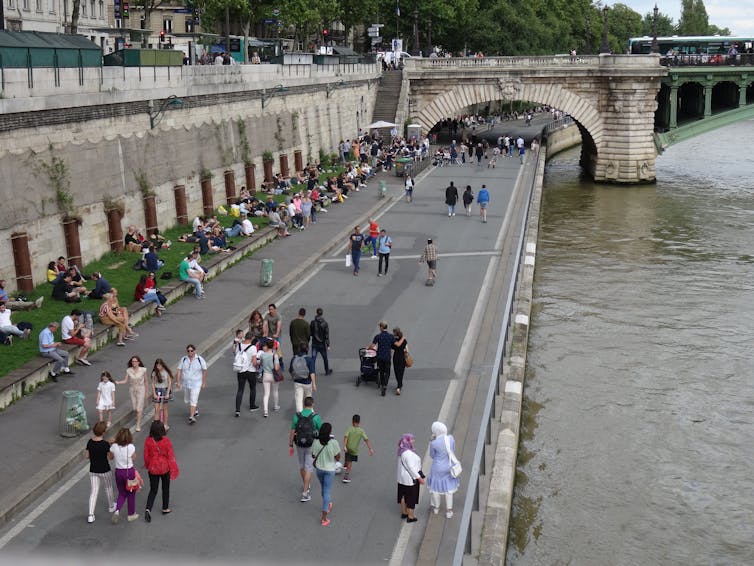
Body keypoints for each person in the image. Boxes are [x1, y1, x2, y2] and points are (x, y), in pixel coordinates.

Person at [143, 420, 179, 523]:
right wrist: (173, 468)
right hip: (164, 467)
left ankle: (148, 509)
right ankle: (165, 508)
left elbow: (146, 456)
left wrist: (147, 465)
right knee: (165, 488)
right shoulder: (166, 441)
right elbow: (170, 456)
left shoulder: (148, 441)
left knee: (153, 490)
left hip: (153, 468)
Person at [289, 395, 323, 502]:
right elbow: (321, 430)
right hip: (311, 444)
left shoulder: (297, 416)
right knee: (309, 467)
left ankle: (306, 485)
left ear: (304, 404)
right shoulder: (316, 417)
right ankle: (305, 493)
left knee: (302, 465)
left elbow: (292, 431)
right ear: (312, 404)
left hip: (299, 444)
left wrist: (290, 444)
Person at [427, 421, 461, 518]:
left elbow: (432, 455)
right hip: (448, 466)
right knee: (448, 490)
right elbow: (452, 450)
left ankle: (436, 508)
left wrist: (432, 441)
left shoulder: (434, 443)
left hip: (437, 468)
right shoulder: (450, 438)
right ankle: (449, 511)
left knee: (435, 489)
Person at [85, 421, 117, 524]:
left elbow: (86, 456)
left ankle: (91, 515)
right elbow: (111, 458)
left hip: (93, 470)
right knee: (108, 488)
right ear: (103, 432)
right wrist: (111, 445)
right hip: (105, 470)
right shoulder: (105, 444)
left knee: (94, 491)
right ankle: (111, 506)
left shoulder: (90, 442)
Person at [311, 422, 341, 526]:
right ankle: (324, 518)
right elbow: (338, 457)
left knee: (324, 488)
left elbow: (313, 454)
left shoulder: (316, 442)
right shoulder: (333, 442)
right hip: (330, 470)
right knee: (327, 491)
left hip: (319, 469)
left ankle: (327, 503)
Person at [109, 427, 138, 523]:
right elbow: (134, 458)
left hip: (118, 472)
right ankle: (131, 514)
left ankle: (117, 511)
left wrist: (112, 444)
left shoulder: (114, 447)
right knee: (131, 493)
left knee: (121, 493)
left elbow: (111, 457)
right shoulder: (130, 447)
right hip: (129, 472)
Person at [175, 344, 207, 425]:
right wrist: (178, 382)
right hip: (186, 384)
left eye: (191, 351)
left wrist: (203, 382)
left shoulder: (200, 359)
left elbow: (204, 371)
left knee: (193, 399)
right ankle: (195, 410)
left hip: (196, 383)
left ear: (194, 351)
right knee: (188, 399)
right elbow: (179, 370)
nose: (190, 352)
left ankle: (191, 417)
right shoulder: (184, 359)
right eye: (188, 351)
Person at [397, 433, 425, 523]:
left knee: (403, 495)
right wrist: (419, 478)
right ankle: (411, 516)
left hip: (401, 478)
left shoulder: (401, 450)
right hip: (410, 479)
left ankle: (404, 512)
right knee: (411, 498)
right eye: (412, 439)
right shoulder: (408, 453)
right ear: (407, 441)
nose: (414, 441)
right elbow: (411, 468)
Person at [116, 355, 148, 432]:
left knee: (138, 408)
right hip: (132, 389)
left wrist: (146, 392)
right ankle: (140, 414)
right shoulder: (129, 370)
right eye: (132, 361)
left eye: (135, 361)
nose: (134, 363)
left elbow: (146, 381)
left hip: (141, 389)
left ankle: (138, 424)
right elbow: (125, 380)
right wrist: (119, 382)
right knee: (134, 408)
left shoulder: (143, 370)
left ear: (138, 362)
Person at [342, 414, 374, 483]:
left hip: (347, 447)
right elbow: (366, 440)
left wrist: (344, 446)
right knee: (350, 462)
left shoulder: (349, 428)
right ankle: (346, 476)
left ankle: (345, 464)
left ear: (352, 421)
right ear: (359, 422)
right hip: (354, 449)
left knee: (347, 453)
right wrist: (370, 449)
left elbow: (345, 437)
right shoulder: (361, 431)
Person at [234, 332, 259, 417]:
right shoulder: (253, 348)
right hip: (250, 371)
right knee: (252, 388)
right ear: (251, 338)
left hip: (241, 371)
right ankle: (252, 406)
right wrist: (257, 366)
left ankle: (237, 410)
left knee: (240, 390)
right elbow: (254, 362)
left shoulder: (239, 345)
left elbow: (235, 354)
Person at [289, 342, 316, 413]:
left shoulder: (294, 358)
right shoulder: (309, 359)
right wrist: (314, 384)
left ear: (299, 349)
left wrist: (294, 377)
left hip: (297, 382)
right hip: (307, 382)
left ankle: (300, 415)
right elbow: (312, 373)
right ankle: (310, 414)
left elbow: (291, 370)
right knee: (308, 398)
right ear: (307, 349)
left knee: (298, 399)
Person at [369, 321, 394, 397]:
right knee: (388, 372)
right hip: (387, 357)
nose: (379, 328)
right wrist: (391, 355)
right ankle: (385, 385)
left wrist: (368, 347)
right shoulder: (391, 336)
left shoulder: (378, 336)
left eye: (380, 326)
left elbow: (372, 346)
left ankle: (382, 384)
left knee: (381, 371)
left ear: (382, 327)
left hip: (380, 357)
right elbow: (393, 347)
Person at [257, 338, 280, 417]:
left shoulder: (262, 355)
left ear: (266, 346)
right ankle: (276, 406)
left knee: (266, 394)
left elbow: (261, 364)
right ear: (273, 346)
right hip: (274, 376)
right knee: (275, 391)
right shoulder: (275, 355)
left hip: (266, 375)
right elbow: (276, 368)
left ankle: (265, 411)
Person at [150, 358, 173, 430]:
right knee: (157, 409)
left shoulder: (166, 372)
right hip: (157, 390)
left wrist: (167, 393)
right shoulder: (154, 372)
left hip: (165, 390)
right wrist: (154, 393)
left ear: (162, 365)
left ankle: (165, 424)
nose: (158, 367)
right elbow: (153, 383)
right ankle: (156, 425)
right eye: (157, 366)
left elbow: (169, 383)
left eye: (160, 365)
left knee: (165, 409)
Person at [309, 307, 332, 376]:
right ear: (322, 313)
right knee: (325, 358)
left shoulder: (313, 323)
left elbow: (310, 333)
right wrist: (328, 345)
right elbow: (326, 335)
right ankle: (327, 370)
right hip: (322, 344)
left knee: (313, 359)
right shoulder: (325, 323)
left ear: (316, 313)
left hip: (315, 343)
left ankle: (312, 372)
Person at [392, 327, 408, 395]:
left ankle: (399, 385)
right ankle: (399, 385)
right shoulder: (404, 340)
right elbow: (407, 350)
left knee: (396, 371)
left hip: (396, 357)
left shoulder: (393, 341)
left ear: (395, 333)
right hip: (402, 358)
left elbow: (392, 349)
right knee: (401, 372)